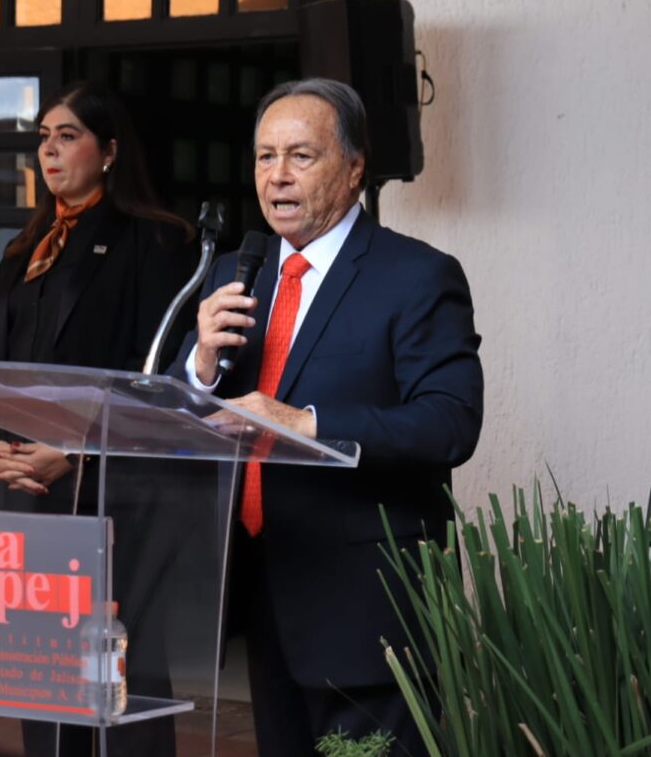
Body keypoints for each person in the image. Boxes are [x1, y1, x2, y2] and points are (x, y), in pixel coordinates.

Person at [173, 78, 484, 754]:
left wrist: (303, 421)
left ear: (353, 169)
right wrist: (199, 363)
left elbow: (450, 422)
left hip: (367, 612)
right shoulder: (236, 270)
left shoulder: (415, 276)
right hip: (260, 595)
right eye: (263, 157)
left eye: (300, 156)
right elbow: (175, 408)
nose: (276, 176)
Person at [0, 81, 195, 756]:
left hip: (112, 494)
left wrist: (79, 450)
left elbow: (157, 378)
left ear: (111, 149)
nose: (49, 150)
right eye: (43, 137)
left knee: (120, 673)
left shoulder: (152, 241)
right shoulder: (23, 250)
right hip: (26, 496)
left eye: (67, 135)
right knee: (41, 672)